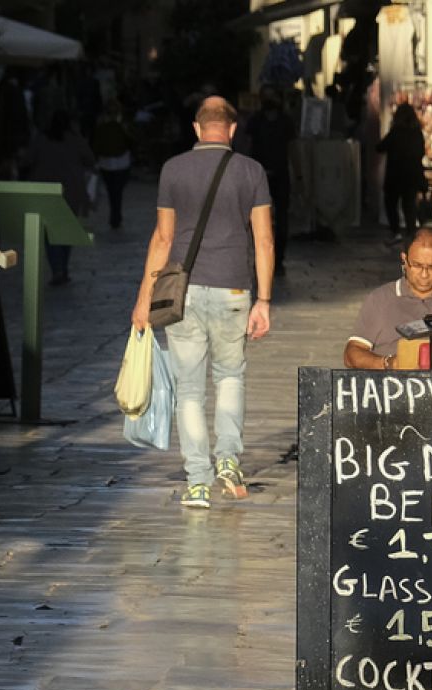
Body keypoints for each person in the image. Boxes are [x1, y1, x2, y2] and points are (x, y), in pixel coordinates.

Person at [131, 96, 275, 510]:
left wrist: (144, 301)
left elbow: (163, 239)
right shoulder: (251, 171)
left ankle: (198, 481)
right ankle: (228, 461)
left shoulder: (173, 170)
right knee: (230, 376)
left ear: (197, 128)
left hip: (185, 293)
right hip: (234, 290)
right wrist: (263, 299)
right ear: (231, 129)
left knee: (189, 391)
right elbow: (263, 240)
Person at [343, 227, 432, 370]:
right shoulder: (380, 299)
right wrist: (388, 363)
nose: (424, 275)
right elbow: (351, 354)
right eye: (416, 265)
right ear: (404, 259)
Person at [24, 110, 95, 287]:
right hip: (71, 192)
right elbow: (90, 159)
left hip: (45, 192)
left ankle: (57, 269)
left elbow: (27, 160)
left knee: (50, 232)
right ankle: (62, 267)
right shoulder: (75, 140)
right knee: (66, 231)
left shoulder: (41, 139)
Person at [236, 92, 296, 276]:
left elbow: (247, 145)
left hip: (261, 175)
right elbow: (292, 150)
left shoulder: (257, 120)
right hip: (276, 174)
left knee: (260, 217)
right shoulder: (283, 121)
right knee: (279, 216)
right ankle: (275, 260)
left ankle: (267, 259)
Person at [379, 101, 425, 238]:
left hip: (395, 174)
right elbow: (421, 152)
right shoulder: (417, 133)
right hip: (412, 174)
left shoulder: (395, 132)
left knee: (391, 203)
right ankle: (411, 232)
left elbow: (380, 147)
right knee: (409, 205)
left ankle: (396, 230)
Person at [90, 100, 136, 230]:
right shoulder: (122, 127)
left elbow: (95, 146)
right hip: (121, 163)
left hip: (107, 164)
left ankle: (115, 216)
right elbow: (132, 142)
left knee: (113, 192)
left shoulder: (101, 128)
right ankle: (116, 216)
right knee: (117, 192)